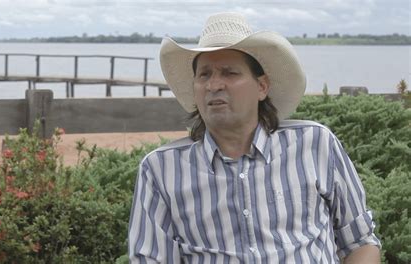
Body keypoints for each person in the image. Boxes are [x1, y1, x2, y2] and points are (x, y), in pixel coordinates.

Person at [128, 12, 381, 263]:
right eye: (204, 74)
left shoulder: (315, 144)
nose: (214, 84)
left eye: (229, 73)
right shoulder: (161, 170)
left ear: (262, 87)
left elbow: (361, 243)